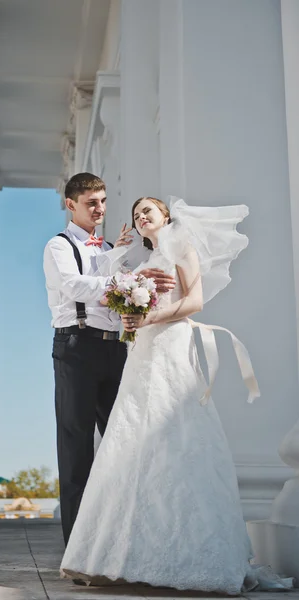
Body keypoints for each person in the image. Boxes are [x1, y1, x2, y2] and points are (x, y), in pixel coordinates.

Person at [60, 196, 294, 594]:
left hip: (170, 344)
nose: (141, 217)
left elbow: (195, 301)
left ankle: (189, 557)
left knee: (176, 433)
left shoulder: (182, 246)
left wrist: (148, 316)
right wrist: (129, 302)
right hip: (142, 350)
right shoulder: (142, 262)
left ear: (165, 215)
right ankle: (115, 556)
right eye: (136, 214)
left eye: (148, 210)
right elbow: (118, 295)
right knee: (131, 436)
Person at [43, 176, 176, 546]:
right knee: (77, 450)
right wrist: (128, 277)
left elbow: (121, 285)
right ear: (71, 205)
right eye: (91, 203)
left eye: (102, 201)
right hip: (76, 348)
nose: (100, 209)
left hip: (116, 349)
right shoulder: (59, 246)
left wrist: (127, 269)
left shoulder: (109, 250)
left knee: (126, 443)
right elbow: (75, 286)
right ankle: (78, 550)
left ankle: (124, 542)